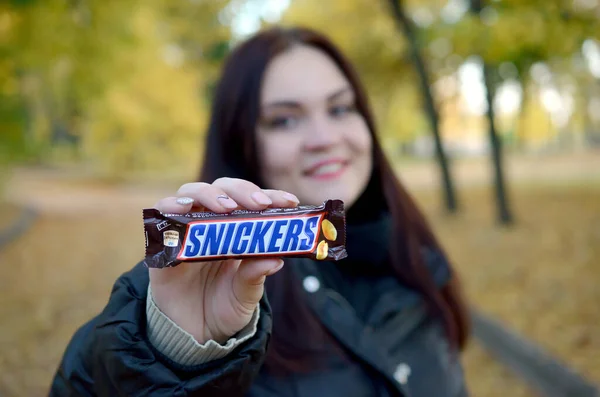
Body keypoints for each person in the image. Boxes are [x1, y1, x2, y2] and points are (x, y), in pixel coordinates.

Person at [50, 26, 471, 397]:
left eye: (340, 108)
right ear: (241, 144)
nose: (324, 138)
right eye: (285, 120)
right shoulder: (189, 291)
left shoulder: (412, 256)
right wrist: (174, 354)